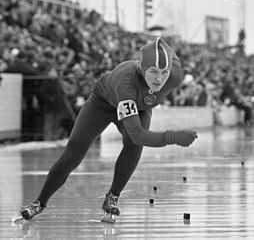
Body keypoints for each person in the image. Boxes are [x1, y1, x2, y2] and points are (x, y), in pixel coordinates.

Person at [19, 37, 198, 223]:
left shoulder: (175, 74)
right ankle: (39, 203)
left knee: (133, 147)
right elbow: (138, 134)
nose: (159, 79)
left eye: (164, 72)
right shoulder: (126, 83)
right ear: (141, 67)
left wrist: (158, 44)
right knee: (74, 152)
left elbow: (161, 45)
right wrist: (173, 137)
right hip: (103, 102)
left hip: (141, 107)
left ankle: (113, 196)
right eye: (153, 72)